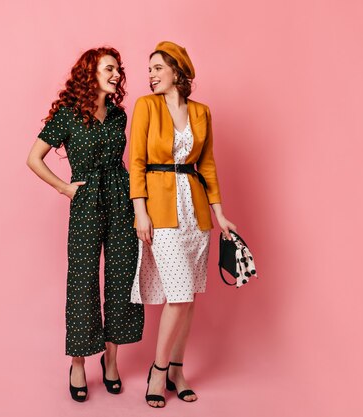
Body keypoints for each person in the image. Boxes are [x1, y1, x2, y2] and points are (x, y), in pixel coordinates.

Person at [26, 47, 144, 402]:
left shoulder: (119, 115)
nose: (116, 75)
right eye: (109, 69)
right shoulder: (67, 115)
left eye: (118, 70)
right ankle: (78, 363)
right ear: (89, 73)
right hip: (86, 201)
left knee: (123, 277)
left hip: (121, 198)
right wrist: (64, 187)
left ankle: (111, 359)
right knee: (83, 280)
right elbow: (33, 158)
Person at [129, 41, 237, 408]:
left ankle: (177, 369)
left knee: (188, 299)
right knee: (179, 294)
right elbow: (138, 161)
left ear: (177, 71)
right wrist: (139, 211)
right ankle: (158, 371)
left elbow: (207, 166)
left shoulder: (202, 112)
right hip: (160, 211)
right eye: (150, 69)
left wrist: (220, 214)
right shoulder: (146, 106)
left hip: (195, 212)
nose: (151, 75)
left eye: (158, 68)